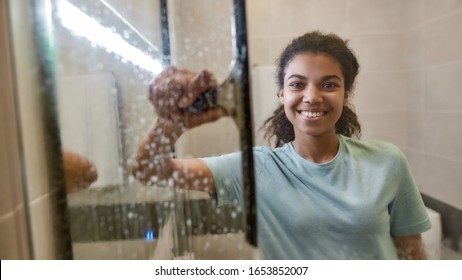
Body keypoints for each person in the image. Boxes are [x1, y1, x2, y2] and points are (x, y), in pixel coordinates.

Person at [133, 31, 432, 259]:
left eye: (329, 84)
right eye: (297, 84)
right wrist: (173, 122)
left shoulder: (387, 162)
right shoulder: (255, 169)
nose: (312, 96)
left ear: (346, 94)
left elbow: (411, 252)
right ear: (281, 95)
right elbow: (148, 171)